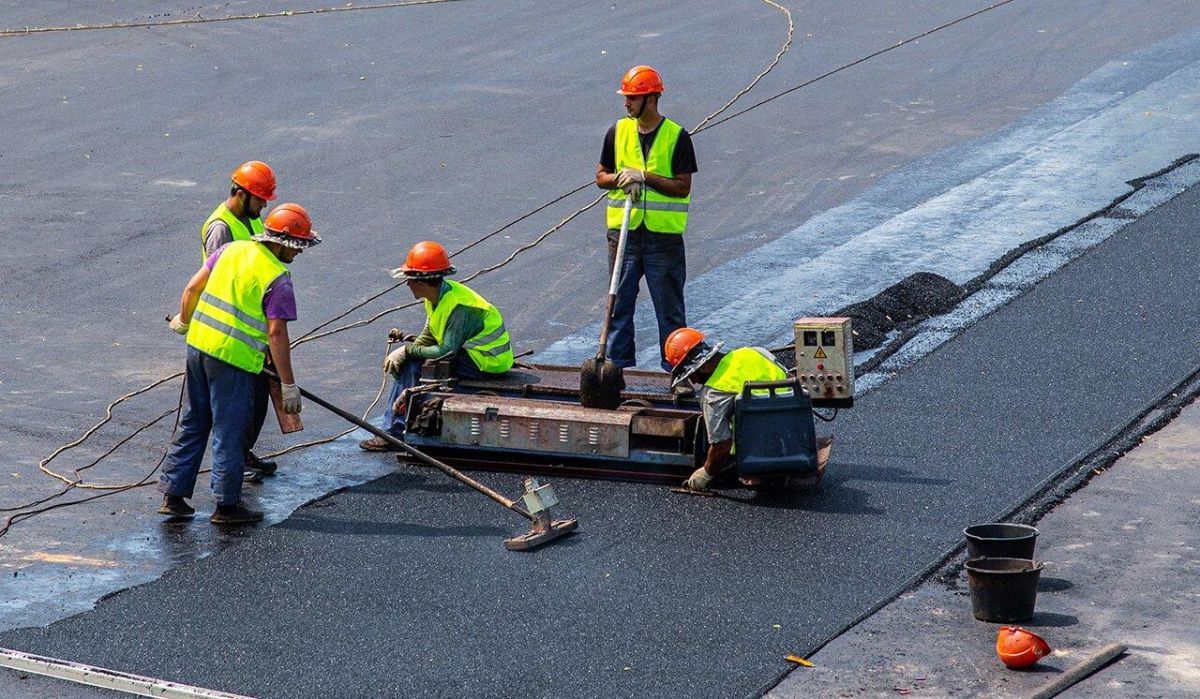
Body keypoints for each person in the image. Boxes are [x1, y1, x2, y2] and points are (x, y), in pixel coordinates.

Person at [160, 203, 320, 523]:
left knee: (194, 421)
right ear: (282, 242)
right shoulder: (277, 278)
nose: (300, 253)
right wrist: (288, 385)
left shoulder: (231, 250)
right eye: (298, 246)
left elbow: (193, 287)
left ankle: (174, 496)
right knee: (229, 431)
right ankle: (226, 505)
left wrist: (183, 320)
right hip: (231, 362)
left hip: (198, 348)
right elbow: (276, 334)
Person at [359, 241, 514, 451]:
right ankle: (400, 423)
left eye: (410, 279)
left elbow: (446, 351)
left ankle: (393, 433)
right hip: (473, 354)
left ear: (421, 282)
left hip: (487, 361)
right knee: (412, 362)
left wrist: (406, 351)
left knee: (415, 367)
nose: (407, 284)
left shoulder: (458, 306)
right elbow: (430, 334)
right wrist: (408, 352)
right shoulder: (435, 297)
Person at [595, 65, 697, 371]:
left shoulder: (676, 136)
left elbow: (682, 187)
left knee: (669, 312)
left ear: (651, 100)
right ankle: (617, 371)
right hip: (623, 236)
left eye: (632, 98)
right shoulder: (617, 131)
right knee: (619, 307)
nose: (626, 103)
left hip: (662, 240)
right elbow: (600, 176)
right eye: (626, 97)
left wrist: (645, 177)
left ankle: (676, 371)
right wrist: (619, 179)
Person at [664, 327, 831, 491]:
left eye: (690, 375)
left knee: (722, 457)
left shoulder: (713, 394)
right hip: (796, 441)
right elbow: (792, 381)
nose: (694, 381)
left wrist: (706, 474)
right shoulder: (753, 352)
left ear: (701, 366)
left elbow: (721, 445)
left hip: (756, 457)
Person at [200, 160, 280, 479]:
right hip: (230, 333)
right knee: (236, 406)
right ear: (240, 193)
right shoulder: (221, 228)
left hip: (252, 328)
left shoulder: (251, 221)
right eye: (260, 199)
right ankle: (233, 466)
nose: (263, 206)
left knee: (257, 397)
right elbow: (220, 280)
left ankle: (243, 453)